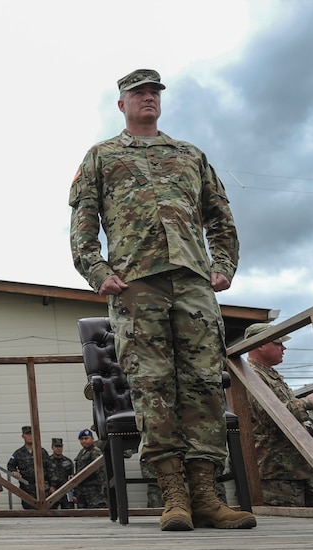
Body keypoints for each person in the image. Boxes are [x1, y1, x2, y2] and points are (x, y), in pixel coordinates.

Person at [69, 68, 256, 531]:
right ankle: (173, 494)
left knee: (202, 385)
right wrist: (97, 270)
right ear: (122, 104)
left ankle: (208, 495)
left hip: (193, 281)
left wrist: (224, 265)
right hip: (136, 284)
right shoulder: (102, 156)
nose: (147, 98)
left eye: (154, 92)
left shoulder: (189, 154)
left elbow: (221, 216)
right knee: (152, 386)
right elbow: (83, 221)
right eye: (138, 93)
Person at [245, 322, 313, 506]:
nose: (284, 348)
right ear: (260, 344)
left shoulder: (269, 374)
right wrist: (307, 402)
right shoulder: (249, 375)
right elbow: (267, 416)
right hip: (276, 470)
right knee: (289, 528)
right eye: (278, 343)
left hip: (297, 467)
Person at [6, 426, 49, 509]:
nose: (30, 436)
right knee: (29, 512)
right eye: (27, 434)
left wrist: (52, 486)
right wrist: (14, 471)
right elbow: (10, 465)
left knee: (44, 511)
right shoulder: (18, 453)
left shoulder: (42, 452)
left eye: (31, 434)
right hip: (27, 488)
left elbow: (50, 469)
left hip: (43, 489)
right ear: (23, 436)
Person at [72, 429, 107, 509]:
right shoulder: (81, 453)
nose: (84, 441)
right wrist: (75, 493)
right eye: (82, 439)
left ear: (92, 439)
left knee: (96, 513)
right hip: (82, 492)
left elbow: (101, 472)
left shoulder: (95, 452)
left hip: (94, 492)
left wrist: (102, 489)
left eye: (86, 438)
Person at [46, 437, 74, 509]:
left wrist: (74, 494)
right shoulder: (47, 461)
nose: (58, 449)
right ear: (52, 447)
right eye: (56, 446)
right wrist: (49, 488)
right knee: (50, 513)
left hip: (66, 492)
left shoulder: (68, 462)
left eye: (60, 446)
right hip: (51, 492)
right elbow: (44, 477)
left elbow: (72, 478)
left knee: (69, 513)